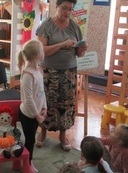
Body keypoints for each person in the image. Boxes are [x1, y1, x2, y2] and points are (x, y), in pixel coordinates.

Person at [35, 0, 88, 152]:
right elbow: (41, 51)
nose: (67, 12)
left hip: (69, 72)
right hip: (48, 72)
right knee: (46, 103)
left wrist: (82, 49)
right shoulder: (46, 25)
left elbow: (78, 53)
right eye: (64, 8)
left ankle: (63, 136)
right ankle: (43, 133)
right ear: (56, 7)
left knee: (66, 104)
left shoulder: (75, 27)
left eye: (70, 9)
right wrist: (61, 45)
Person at [18, 39, 47, 173]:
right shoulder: (27, 75)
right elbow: (28, 99)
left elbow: (42, 92)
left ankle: (27, 160)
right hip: (28, 115)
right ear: (37, 56)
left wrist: (44, 107)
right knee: (30, 140)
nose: (44, 53)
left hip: (36, 114)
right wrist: (37, 115)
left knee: (31, 139)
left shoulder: (39, 71)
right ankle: (27, 163)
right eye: (43, 51)